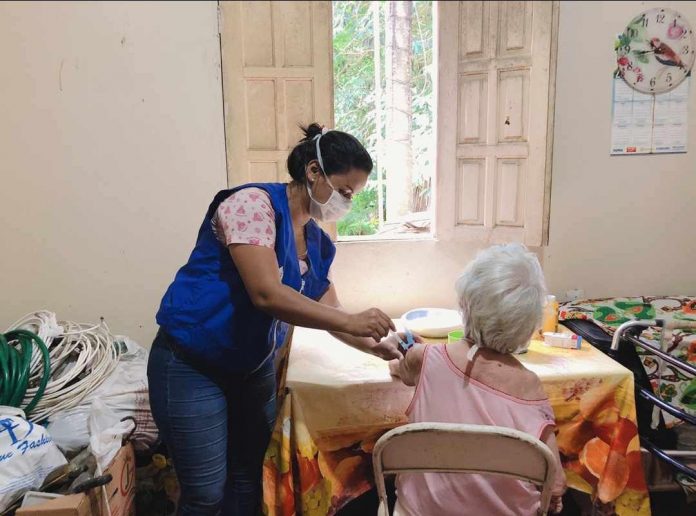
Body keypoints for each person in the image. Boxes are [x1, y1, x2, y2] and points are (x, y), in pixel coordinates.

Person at [148, 123, 404, 515]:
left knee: (250, 478)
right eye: (344, 191)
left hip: (251, 368)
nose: (345, 203)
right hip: (191, 365)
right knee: (205, 492)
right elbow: (266, 293)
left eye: (352, 196)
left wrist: (380, 348)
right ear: (314, 171)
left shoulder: (316, 243)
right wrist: (354, 322)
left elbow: (332, 312)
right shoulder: (253, 206)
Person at [389, 244, 567, 515]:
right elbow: (556, 485)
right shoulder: (530, 387)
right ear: (529, 324)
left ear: (465, 304)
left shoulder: (424, 358)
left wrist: (413, 352)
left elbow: (401, 369)